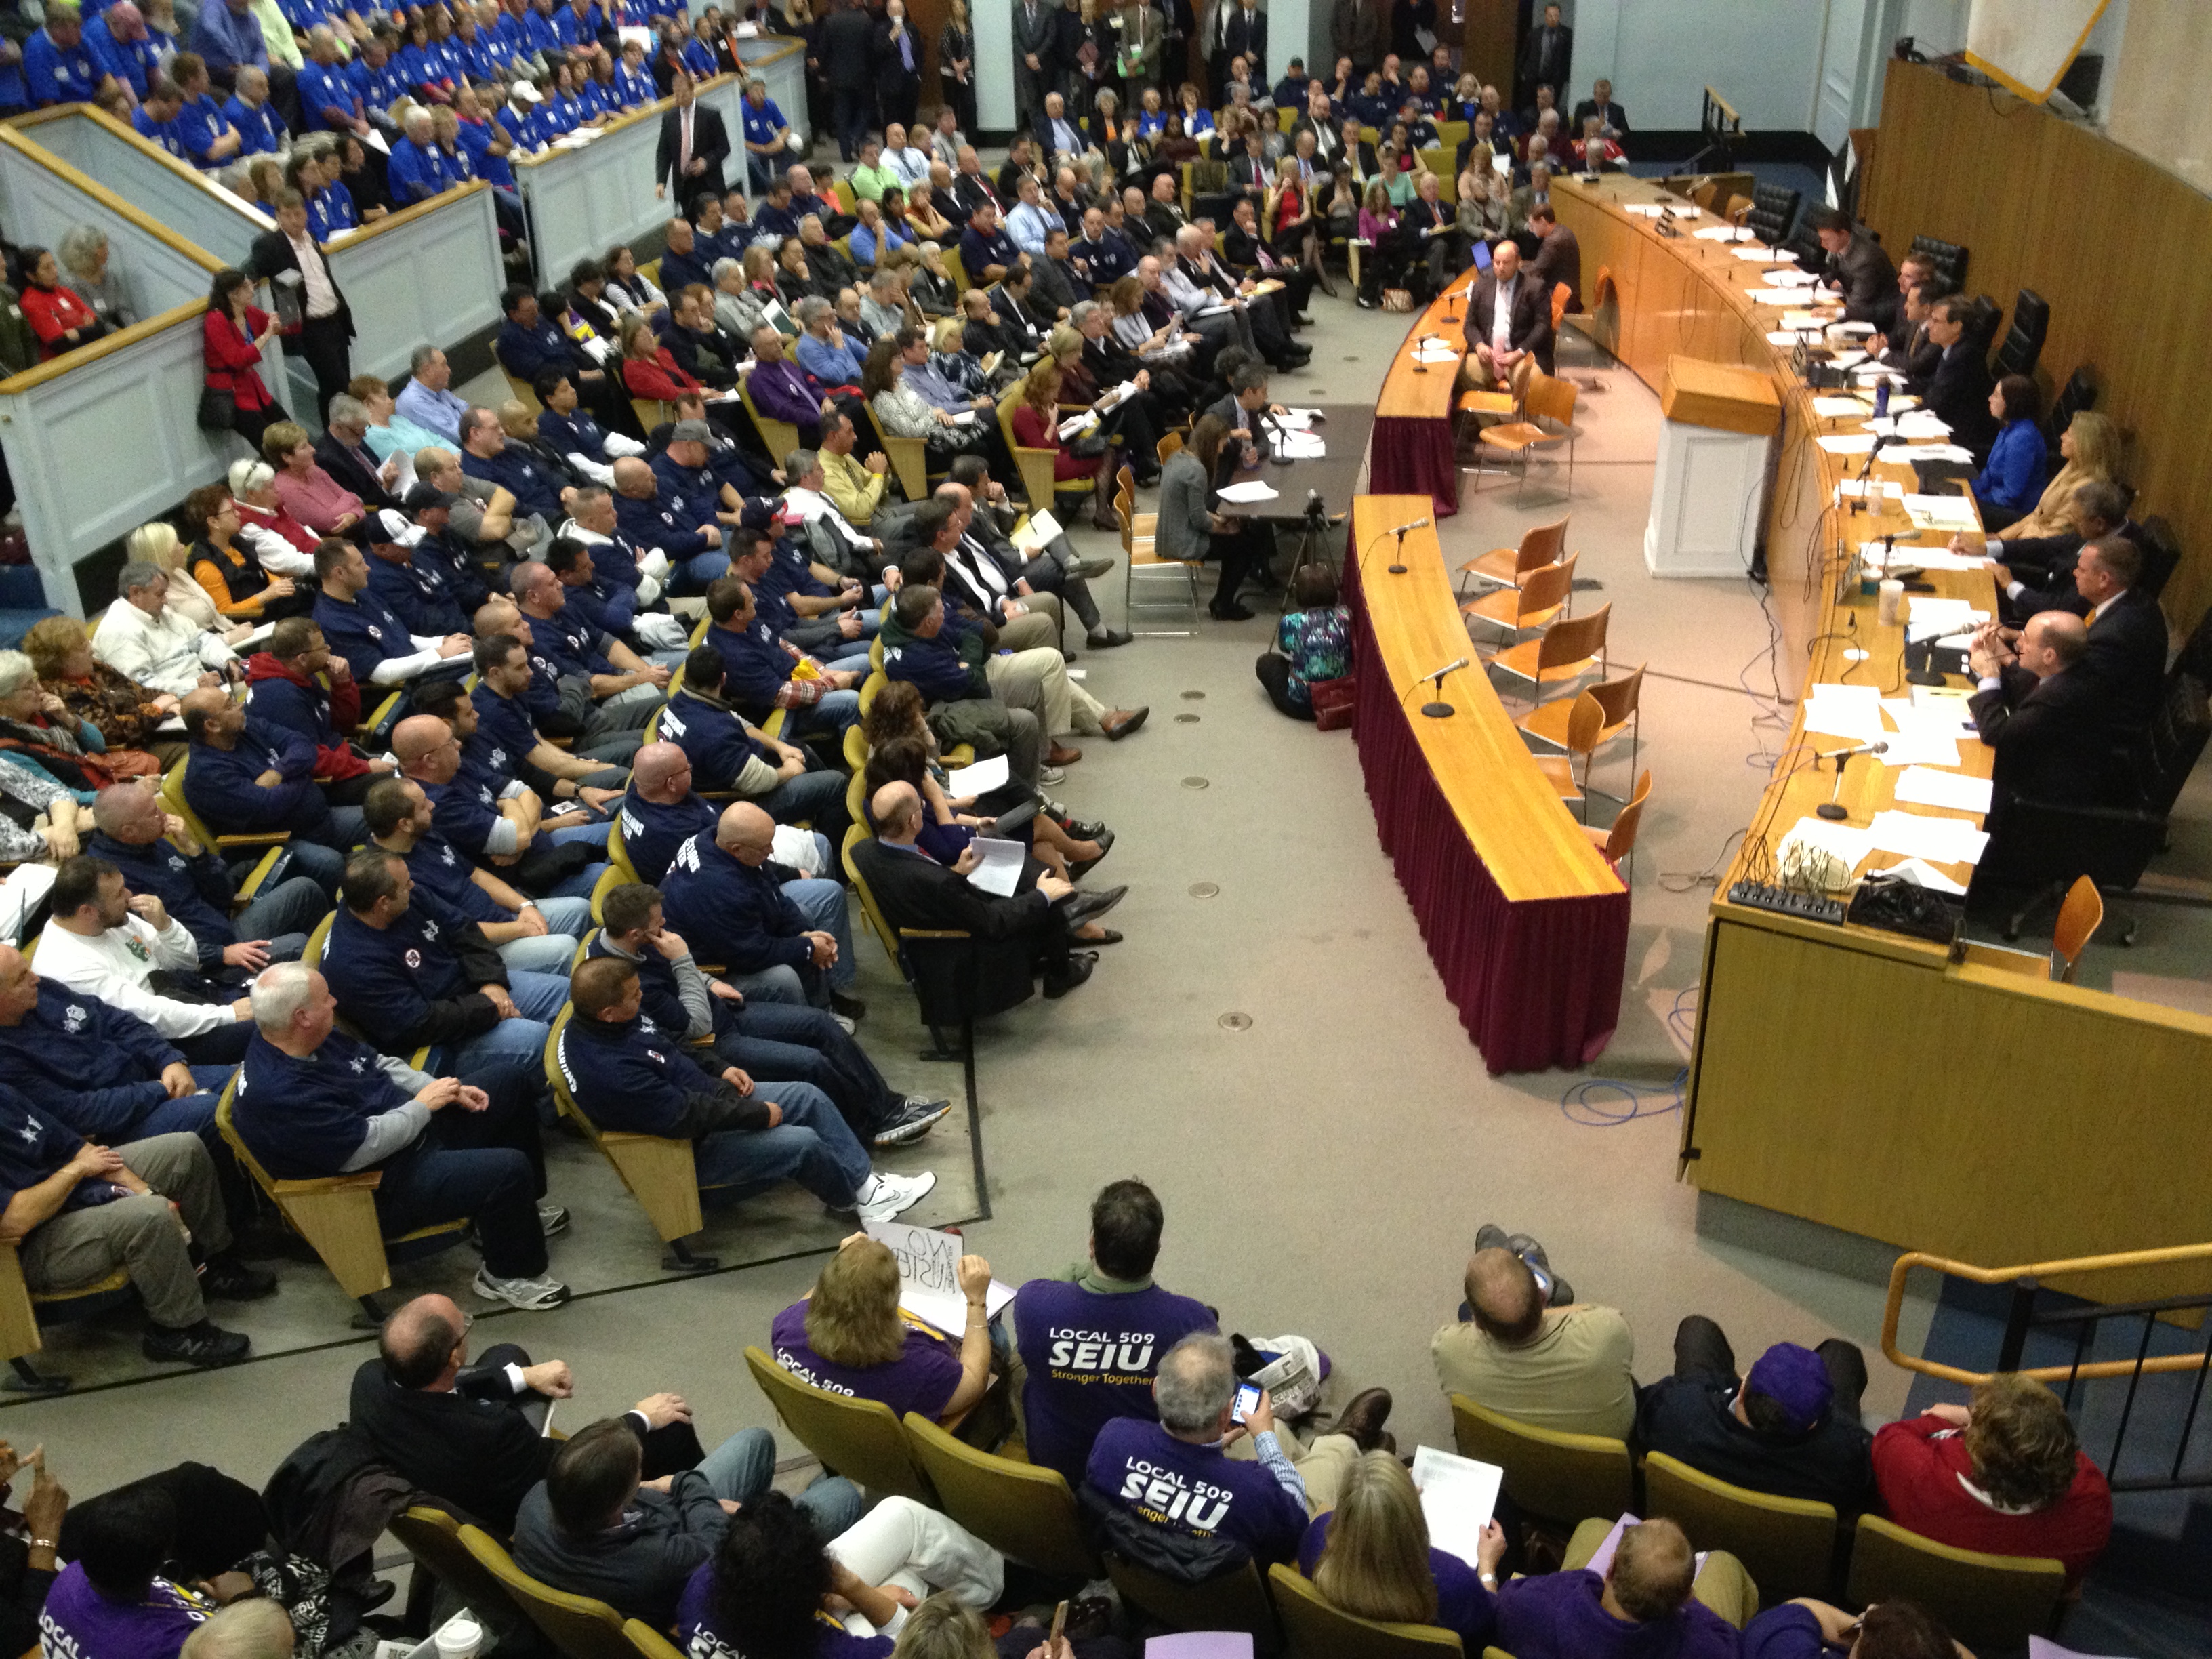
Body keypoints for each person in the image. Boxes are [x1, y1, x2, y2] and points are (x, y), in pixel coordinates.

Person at [237, 960, 570, 1309]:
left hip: (406, 1133)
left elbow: (378, 1063)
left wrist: (441, 1090)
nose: (335, 1002)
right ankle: (507, 1275)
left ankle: (513, 1220)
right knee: (508, 1169)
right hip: (377, 1185)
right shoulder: (281, 1092)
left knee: (509, 1081)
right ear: (302, 1017)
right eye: (326, 998)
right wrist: (424, 1106)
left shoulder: (300, 1036)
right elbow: (363, 1148)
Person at [560, 956, 934, 1228]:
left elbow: (673, 1043)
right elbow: (683, 1116)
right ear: (608, 1012)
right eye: (634, 996)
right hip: (684, 1148)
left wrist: (721, 1067)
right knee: (802, 1142)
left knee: (806, 1095)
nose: (642, 999)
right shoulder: (608, 1070)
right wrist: (757, 1114)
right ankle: (848, 1199)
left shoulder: (617, 1019)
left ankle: (867, 1188)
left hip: (711, 1097)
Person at [589, 879, 947, 1147]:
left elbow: (678, 969)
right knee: (812, 1063)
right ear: (637, 934)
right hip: (715, 1042)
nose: (665, 928)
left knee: (820, 1024)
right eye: (659, 926)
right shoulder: (624, 982)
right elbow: (693, 1024)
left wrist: (707, 982)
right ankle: (869, 1130)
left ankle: (886, 1107)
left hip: (724, 1011)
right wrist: (683, 961)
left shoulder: (626, 940)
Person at [350, 1292, 705, 1532]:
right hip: (508, 1506)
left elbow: (447, 1390)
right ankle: (702, 1509)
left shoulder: (368, 1381)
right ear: (455, 1358)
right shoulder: (496, 1432)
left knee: (506, 1354)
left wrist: (523, 1377)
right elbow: (574, 1462)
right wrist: (640, 1417)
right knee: (671, 1427)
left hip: (434, 1463)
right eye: (464, 1329)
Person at [511, 1415, 861, 1631]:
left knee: (755, 1442)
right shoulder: (655, 1561)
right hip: (712, 1555)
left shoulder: (536, 1502)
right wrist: (682, 1483)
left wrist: (671, 1495)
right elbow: (715, 1542)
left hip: (678, 1524)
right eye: (638, 1471)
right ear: (621, 1498)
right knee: (842, 1493)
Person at [0, 1079, 261, 1368]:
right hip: (25, 1254)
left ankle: (213, 1264)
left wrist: (145, 1190)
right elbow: (17, 1219)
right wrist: (76, 1173)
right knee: (148, 1216)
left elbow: (76, 1148)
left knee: (184, 1149)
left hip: (64, 1192)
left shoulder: (5, 1093)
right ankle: (177, 1331)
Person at [1011, 1179, 1219, 1485]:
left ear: (1092, 1245)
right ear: (1156, 1250)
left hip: (1059, 1473)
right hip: (1139, 1480)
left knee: (1019, 1361)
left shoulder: (1033, 1304)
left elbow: (1056, 1286)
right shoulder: (1193, 1324)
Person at [323, 844, 573, 1084]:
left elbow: (464, 929)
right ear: (383, 903)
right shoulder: (355, 965)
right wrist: (488, 1007)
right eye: (406, 885)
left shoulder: (406, 896)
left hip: (471, 987)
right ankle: (551, 1112)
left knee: (563, 994)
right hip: (440, 1039)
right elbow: (419, 1024)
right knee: (536, 1040)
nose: (413, 885)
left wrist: (491, 982)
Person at [1084, 1330, 1315, 1567]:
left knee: (1282, 1436)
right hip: (1233, 1596)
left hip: (1139, 1577)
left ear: (1155, 1389)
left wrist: (1213, 1446)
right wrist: (1266, 1438)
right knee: (1334, 1451)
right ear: (1227, 1414)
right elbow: (1296, 1526)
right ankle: (1343, 1439)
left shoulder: (1113, 1439)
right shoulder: (1255, 1491)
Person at [854, 780, 1095, 999]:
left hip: (937, 923)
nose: (925, 806)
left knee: (1030, 872)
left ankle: (1065, 924)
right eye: (921, 806)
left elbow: (935, 888)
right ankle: (1061, 974)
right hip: (963, 952)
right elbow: (993, 922)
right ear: (913, 822)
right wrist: (1042, 895)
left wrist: (957, 872)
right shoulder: (936, 882)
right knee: (1039, 891)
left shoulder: (864, 850)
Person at [1870, 1372, 2112, 1587]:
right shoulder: (2092, 1509)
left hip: (1910, 1595)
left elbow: (1893, 1434)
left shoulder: (1916, 1472)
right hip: (2008, 1625)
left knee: (1871, 1423)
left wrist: (1951, 1420)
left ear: (1977, 1447)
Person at [81, 779, 331, 972]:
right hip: (209, 962)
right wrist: (220, 955)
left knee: (304, 889)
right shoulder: (112, 881)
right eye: (153, 813)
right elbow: (154, 948)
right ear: (129, 832)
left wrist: (195, 851)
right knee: (298, 945)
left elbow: (223, 894)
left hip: (225, 927)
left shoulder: (152, 841)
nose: (164, 816)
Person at [35, 856, 258, 1066]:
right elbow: (148, 1014)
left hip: (189, 998)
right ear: (88, 912)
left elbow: (186, 963)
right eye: (120, 893)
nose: (130, 895)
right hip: (165, 1042)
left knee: (277, 991)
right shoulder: (67, 967)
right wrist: (228, 1014)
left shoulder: (110, 919)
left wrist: (165, 927)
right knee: (271, 1023)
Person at [1633, 1320, 1875, 1513]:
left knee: (1697, 1330)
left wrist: (1720, 1389)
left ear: (1741, 1389)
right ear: (1814, 1424)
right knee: (1843, 1354)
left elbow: (1649, 1404)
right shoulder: (1846, 1464)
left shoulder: (1675, 1416)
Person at [660, 802, 863, 1016]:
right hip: (707, 963)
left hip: (731, 936)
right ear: (737, 849)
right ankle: (812, 1023)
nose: (772, 850)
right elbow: (751, 955)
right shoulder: (718, 889)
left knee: (802, 917)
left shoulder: (713, 839)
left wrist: (802, 933)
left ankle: (823, 1003)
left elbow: (772, 890)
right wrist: (807, 948)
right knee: (783, 978)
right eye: (765, 847)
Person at [769, 1231, 991, 1424]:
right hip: (896, 1458)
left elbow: (816, 1299)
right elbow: (974, 1381)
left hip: (827, 1434)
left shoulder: (787, 1327)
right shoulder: (918, 1369)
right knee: (996, 1336)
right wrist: (976, 1299)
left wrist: (844, 1264)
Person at [1433, 1233, 1635, 1437]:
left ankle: (1496, 1297)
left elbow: (1464, 1326)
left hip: (1506, 1464)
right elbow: (1593, 1311)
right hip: (1597, 1468)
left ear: (1479, 1323)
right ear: (1541, 1298)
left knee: (1464, 1310)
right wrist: (1533, 1308)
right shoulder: (1608, 1333)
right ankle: (1542, 1278)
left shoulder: (1447, 1348)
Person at [1300, 1450, 1503, 1652]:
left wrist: (1389, 1502)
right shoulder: (1455, 1581)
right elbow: (1488, 1632)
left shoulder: (1316, 1538)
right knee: (1504, 1507)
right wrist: (1487, 1568)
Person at [1965, 610, 2112, 886]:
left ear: (2049, 656)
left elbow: (1997, 733)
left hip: (2044, 791)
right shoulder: (2067, 669)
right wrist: (1995, 653)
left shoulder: (2062, 696)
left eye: (2026, 639)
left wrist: (1988, 674)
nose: (2018, 643)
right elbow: (2025, 685)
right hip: (2050, 762)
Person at [1492, 1516, 1740, 1659]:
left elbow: (1496, 1609)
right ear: (1685, 1598)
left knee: (1593, 1527)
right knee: (1725, 1564)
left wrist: (1487, 1572)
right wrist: (1684, 1600)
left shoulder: (1532, 1605)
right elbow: (1732, 1644)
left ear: (1610, 1568)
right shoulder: (1705, 1648)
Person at [2001, 535, 2168, 733]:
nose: (2074, 573)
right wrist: (2017, 636)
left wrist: (2005, 661)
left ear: (2104, 579)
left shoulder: (2114, 636)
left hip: (2096, 731)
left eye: (2081, 569)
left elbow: (2059, 686)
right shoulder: (2126, 599)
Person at [1158, 413, 1269, 621]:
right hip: (1182, 542)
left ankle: (1222, 601)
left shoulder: (1179, 456)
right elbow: (1199, 520)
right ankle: (1223, 604)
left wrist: (1221, 523)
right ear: (1210, 443)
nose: (1223, 447)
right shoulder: (1196, 471)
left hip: (1172, 531)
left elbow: (1195, 510)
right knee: (1244, 546)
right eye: (1220, 442)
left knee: (1239, 539)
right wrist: (1226, 528)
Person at [91, 561, 241, 699]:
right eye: (159, 594)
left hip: (207, 688)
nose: (165, 600)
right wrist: (195, 685)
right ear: (135, 592)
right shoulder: (118, 629)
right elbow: (141, 686)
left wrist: (227, 661)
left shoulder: (158, 611)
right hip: (174, 705)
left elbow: (201, 640)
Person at [201, 266, 287, 451]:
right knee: (270, 447)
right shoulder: (216, 319)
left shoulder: (249, 312)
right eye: (247, 287)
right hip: (232, 392)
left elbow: (282, 327)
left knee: (289, 431)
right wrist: (267, 334)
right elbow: (237, 360)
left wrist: (284, 317)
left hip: (254, 388)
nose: (252, 290)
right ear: (233, 294)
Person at [1257, 563, 1352, 719]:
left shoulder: (1291, 622)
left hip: (1301, 705)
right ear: (1334, 592)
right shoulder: (1346, 615)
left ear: (1298, 593)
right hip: (1341, 699)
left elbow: (1285, 648)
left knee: (1265, 662)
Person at [1908, 295, 1997, 457]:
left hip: (1961, 438)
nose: (1929, 326)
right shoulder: (1955, 347)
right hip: (1949, 423)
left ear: (1956, 326)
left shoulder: (1963, 356)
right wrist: (1898, 387)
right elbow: (1934, 384)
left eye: (1936, 321)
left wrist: (1904, 408)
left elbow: (1936, 401)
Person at [1462, 236, 1547, 398]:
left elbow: (1542, 326)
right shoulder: (1482, 286)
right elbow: (1470, 324)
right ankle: (1492, 422)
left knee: (1535, 382)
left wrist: (1520, 352)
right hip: (1489, 355)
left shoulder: (1534, 287)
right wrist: (1479, 345)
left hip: (1518, 356)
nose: (1500, 268)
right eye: (1496, 262)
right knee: (1460, 374)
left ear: (1519, 262)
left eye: (1506, 263)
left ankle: (1527, 424)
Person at [1971, 373, 2048, 531]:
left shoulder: (2023, 438)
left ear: (2012, 403)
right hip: (1995, 500)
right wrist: (1971, 489)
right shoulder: (2008, 427)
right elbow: (1989, 473)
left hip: (2015, 514)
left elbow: (2011, 495)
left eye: (1996, 395)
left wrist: (1976, 498)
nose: (1990, 399)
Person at [1808, 207, 1898, 331]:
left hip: (1875, 320)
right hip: (1853, 304)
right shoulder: (1843, 244)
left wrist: (1835, 312)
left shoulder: (1865, 260)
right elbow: (1836, 272)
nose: (1822, 244)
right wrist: (1813, 283)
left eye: (1826, 240)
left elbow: (1858, 306)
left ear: (1843, 234)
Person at [655, 69, 730, 203]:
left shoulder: (711, 115)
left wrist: (706, 162)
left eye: (683, 94)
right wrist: (661, 182)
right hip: (684, 187)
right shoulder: (669, 118)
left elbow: (724, 148)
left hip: (709, 183)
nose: (679, 98)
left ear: (692, 90)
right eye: (676, 94)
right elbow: (663, 152)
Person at [1524, 201, 1580, 312]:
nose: (1531, 229)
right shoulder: (1562, 230)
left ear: (1543, 221)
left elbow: (1535, 272)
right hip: (1569, 294)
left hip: (1562, 299)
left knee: (1521, 303)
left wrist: (1513, 272)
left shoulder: (1553, 242)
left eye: (1532, 225)